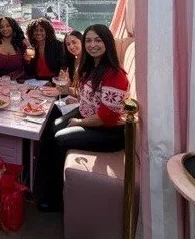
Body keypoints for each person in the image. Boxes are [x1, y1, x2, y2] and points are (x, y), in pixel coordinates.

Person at [37, 24, 130, 211]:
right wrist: (68, 91)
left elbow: (108, 117)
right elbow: (86, 96)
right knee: (50, 128)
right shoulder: (91, 67)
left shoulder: (115, 74)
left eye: (98, 40)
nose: (92, 44)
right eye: (88, 40)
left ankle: (56, 200)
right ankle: (42, 186)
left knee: (58, 139)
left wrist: (80, 121)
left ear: (108, 42)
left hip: (108, 131)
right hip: (88, 113)